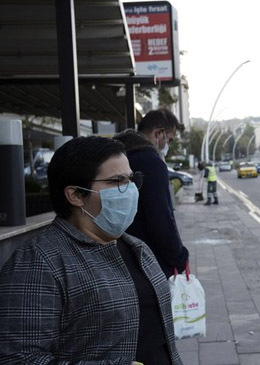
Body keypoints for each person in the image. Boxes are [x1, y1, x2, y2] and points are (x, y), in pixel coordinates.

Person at [0, 136, 181, 364]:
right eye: (117, 181)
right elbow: (18, 358)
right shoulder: (37, 263)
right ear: (75, 195)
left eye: (131, 179)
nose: (130, 190)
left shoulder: (136, 247)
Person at [114, 109, 189, 278]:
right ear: (159, 133)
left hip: (118, 256)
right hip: (147, 262)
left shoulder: (118, 157)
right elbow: (161, 219)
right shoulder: (151, 162)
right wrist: (179, 257)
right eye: (169, 139)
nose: (168, 145)